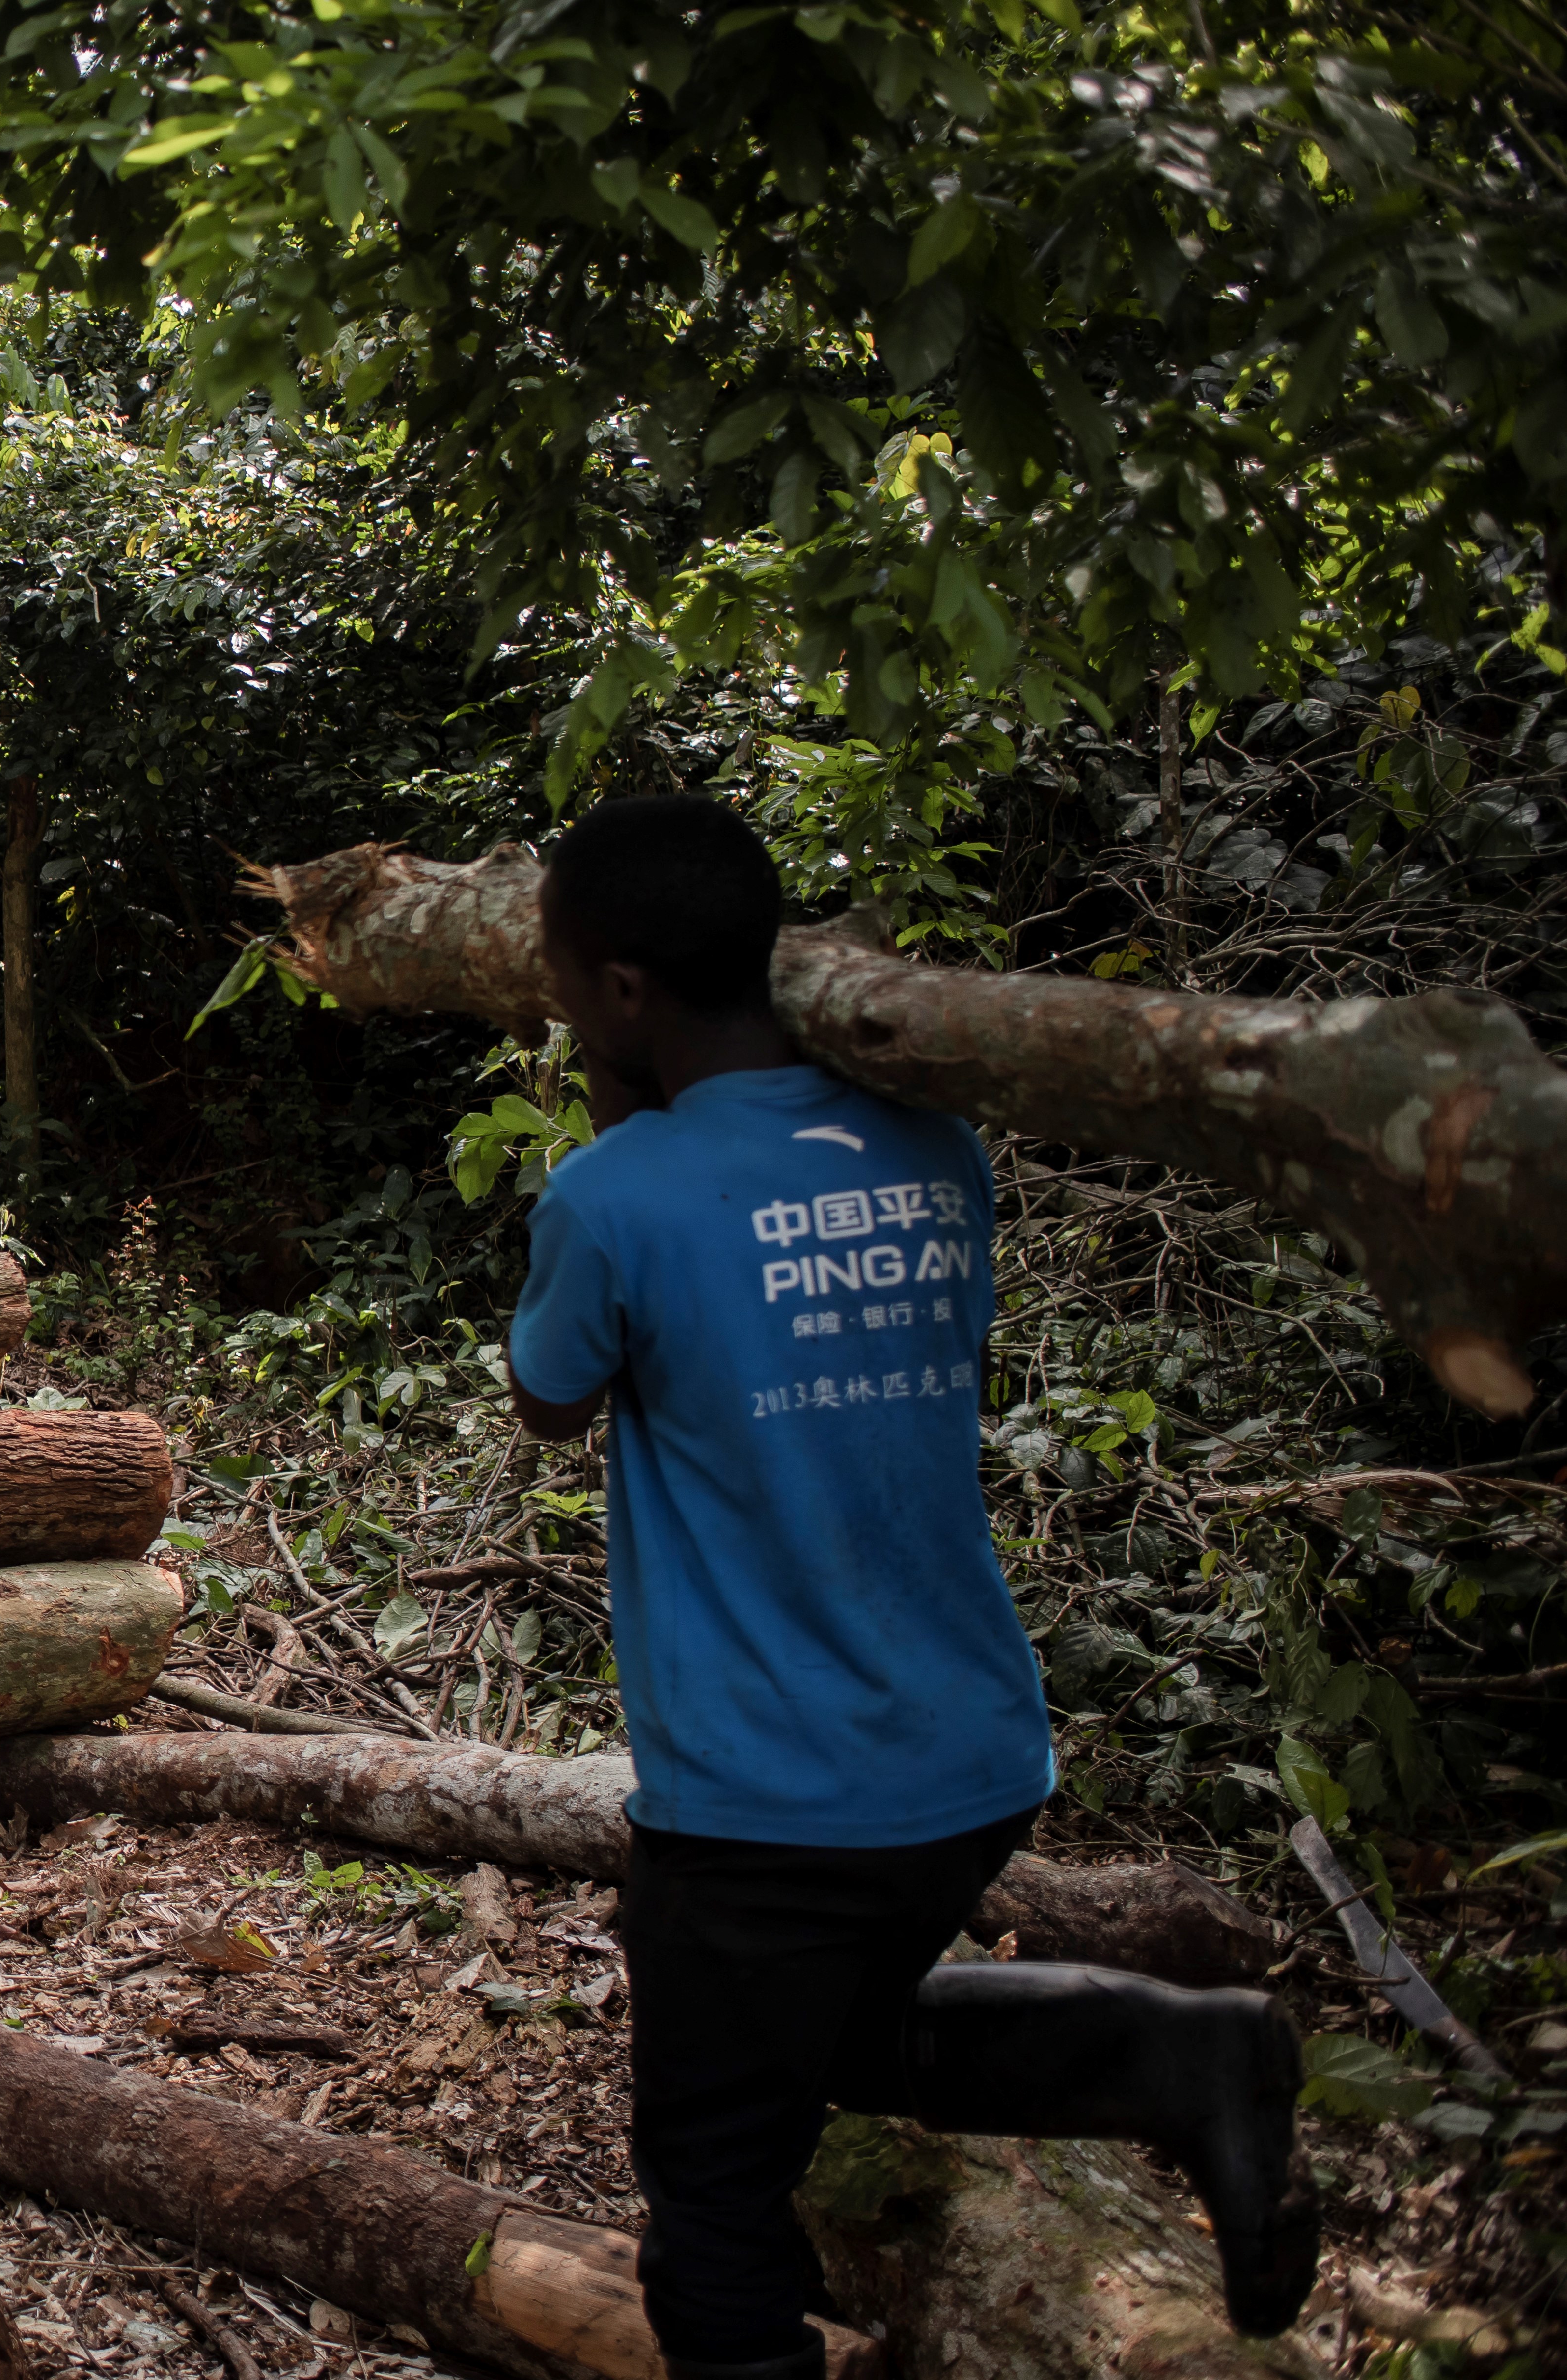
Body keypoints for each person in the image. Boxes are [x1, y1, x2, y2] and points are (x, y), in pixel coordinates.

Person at [499, 797, 1315, 2374]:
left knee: (715, 2195)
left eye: (557, 977)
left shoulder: (614, 1196)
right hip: (966, 1760)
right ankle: (1181, 2054)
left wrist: (619, 1111)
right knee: (838, 2043)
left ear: (615, 992)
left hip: (761, 1804)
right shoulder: (935, 1148)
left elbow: (551, 1395)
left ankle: (1179, 2061)